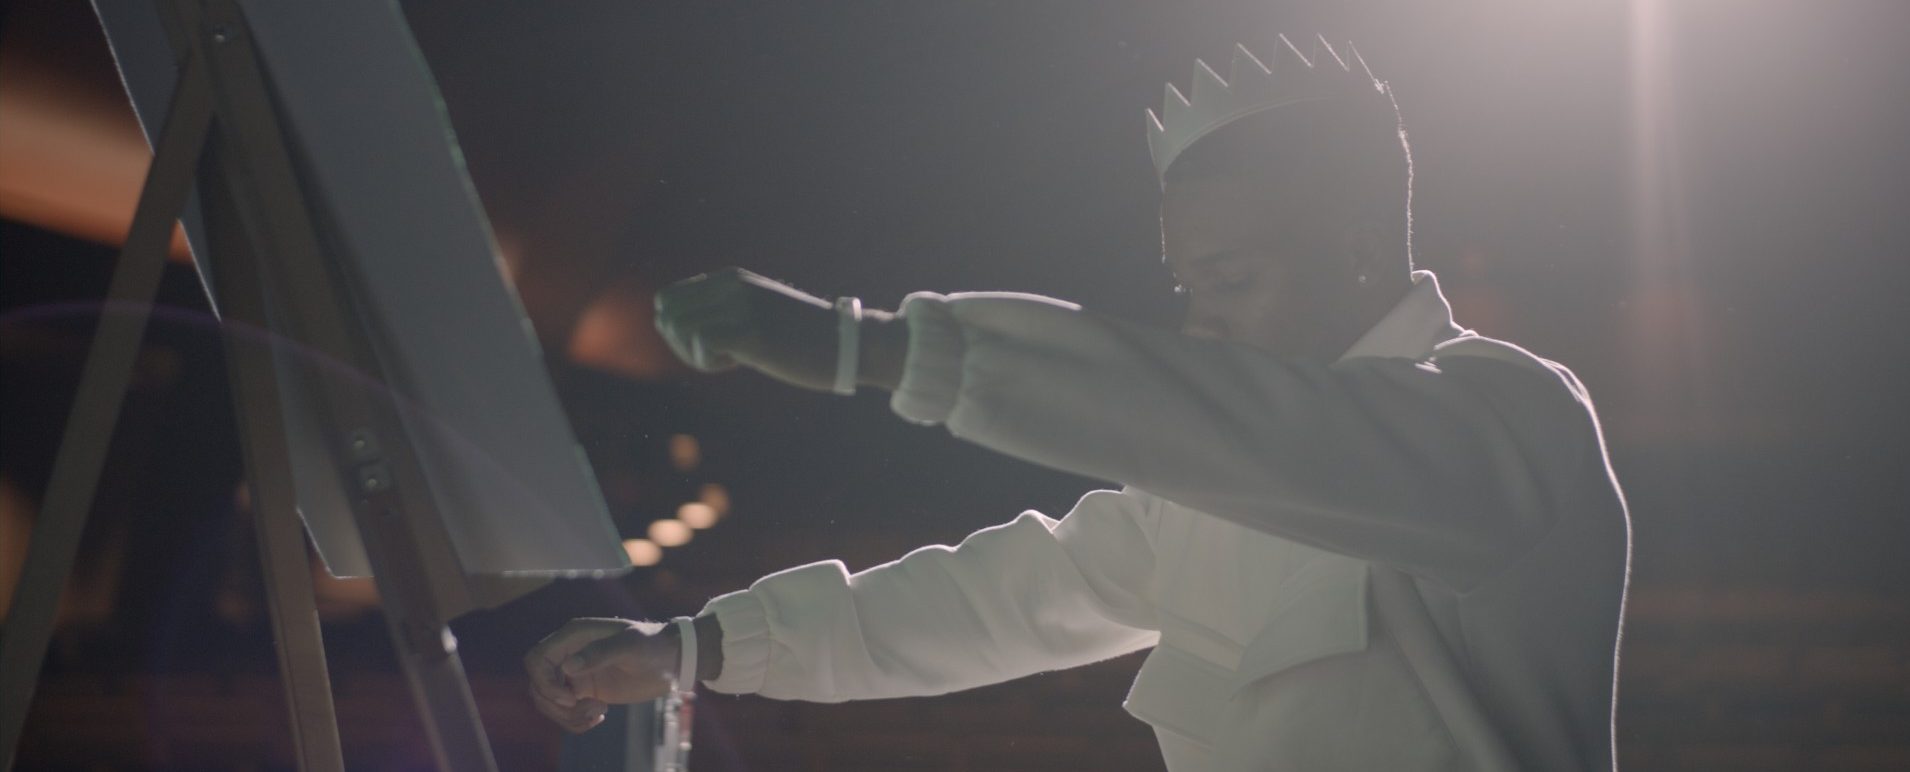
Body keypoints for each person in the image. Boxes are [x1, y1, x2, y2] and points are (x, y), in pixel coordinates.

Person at [526, 35, 1630, 771]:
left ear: (1354, 250)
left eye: (1232, 281)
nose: (1200, 324)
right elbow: (996, 599)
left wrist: (876, 348)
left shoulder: (1508, 422)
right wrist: (694, 647)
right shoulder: (1211, 481)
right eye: (1187, 290)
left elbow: (1261, 432)